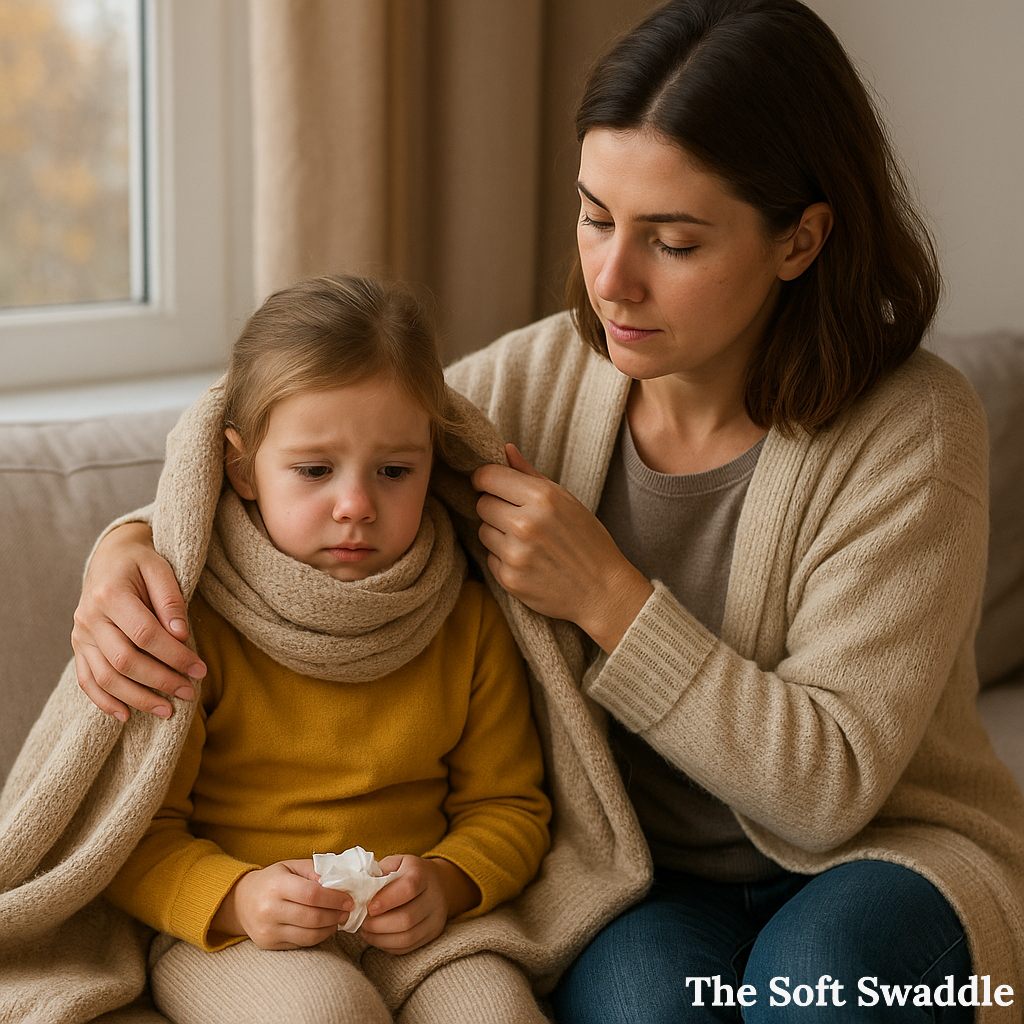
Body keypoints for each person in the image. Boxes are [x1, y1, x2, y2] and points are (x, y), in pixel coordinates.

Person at [70, 0, 1024, 1021]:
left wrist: (610, 597)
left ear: (799, 239)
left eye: (673, 240)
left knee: (822, 987)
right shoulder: (539, 381)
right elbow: (297, 427)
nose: (609, 279)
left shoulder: (913, 430)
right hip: (647, 874)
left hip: (879, 855)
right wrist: (125, 543)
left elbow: (828, 787)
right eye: (595, 216)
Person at [87, 274, 552, 1022]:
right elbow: (131, 835)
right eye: (313, 471)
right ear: (241, 468)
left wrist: (448, 880)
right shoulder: (193, 623)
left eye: (395, 471)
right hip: (240, 934)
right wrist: (237, 899)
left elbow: (510, 807)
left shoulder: (465, 619)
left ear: (434, 463)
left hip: (421, 931)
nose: (356, 505)